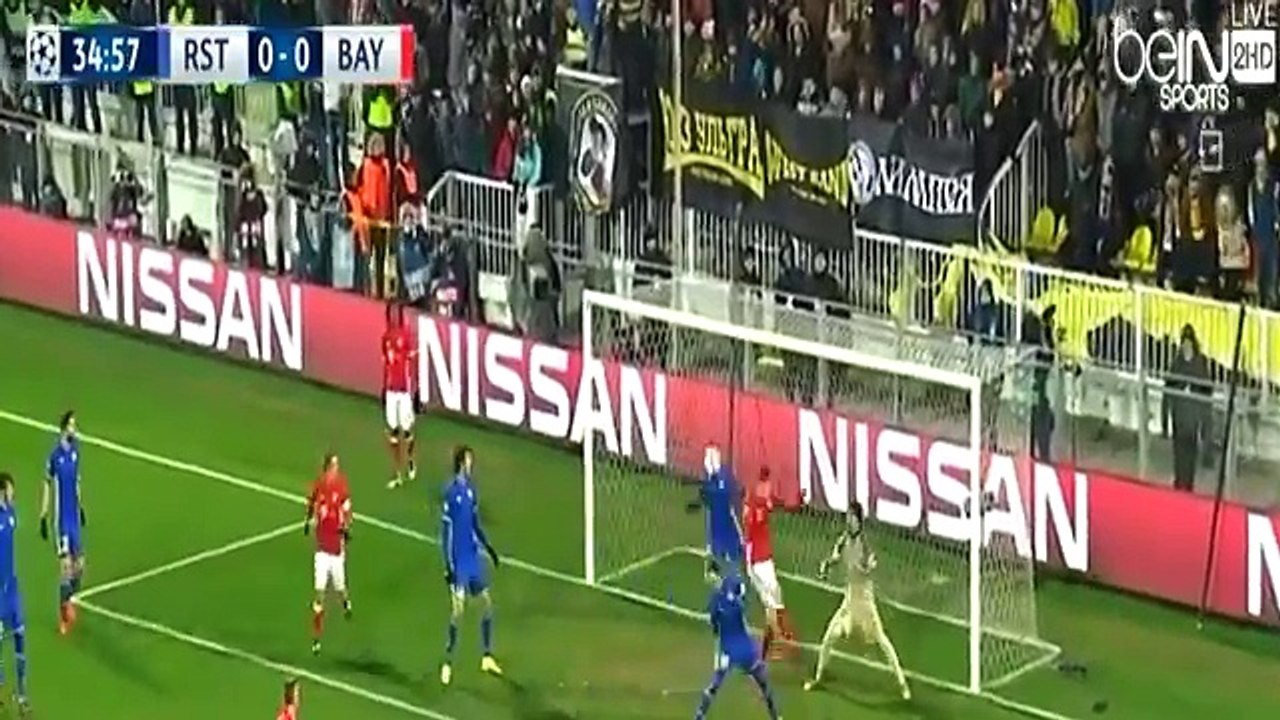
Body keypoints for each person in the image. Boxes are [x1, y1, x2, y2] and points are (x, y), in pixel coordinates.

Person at [805, 501, 911, 701]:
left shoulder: (865, 543)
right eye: (847, 516)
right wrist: (826, 565)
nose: (848, 520)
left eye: (852, 517)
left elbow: (870, 565)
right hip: (849, 600)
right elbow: (835, 557)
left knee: (882, 641)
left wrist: (867, 567)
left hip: (864, 602)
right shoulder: (844, 539)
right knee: (830, 636)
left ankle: (902, 684)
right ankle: (818, 677)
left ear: (859, 521)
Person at [439, 445, 502, 686]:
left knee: (487, 605)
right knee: (458, 612)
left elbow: (475, 524)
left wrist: (489, 548)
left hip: (473, 558)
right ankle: (447, 663)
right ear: (461, 463)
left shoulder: (471, 491)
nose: (471, 464)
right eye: (469, 460)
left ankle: (486, 657)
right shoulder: (450, 492)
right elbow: (446, 532)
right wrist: (448, 565)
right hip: (458, 560)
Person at [694, 572, 783, 720]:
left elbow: (715, 626)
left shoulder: (716, 600)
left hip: (732, 648)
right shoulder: (729, 592)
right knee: (762, 682)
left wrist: (718, 647)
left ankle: (699, 715)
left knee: (716, 684)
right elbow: (742, 603)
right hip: (742, 647)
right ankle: (776, 716)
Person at [40, 411, 85, 636]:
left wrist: (82, 506)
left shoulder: (76, 452)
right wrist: (43, 514)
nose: (75, 429)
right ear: (64, 427)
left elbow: (77, 482)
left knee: (80, 566)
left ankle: (70, 599)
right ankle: (64, 617)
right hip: (62, 520)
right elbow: (47, 484)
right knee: (66, 567)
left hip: (74, 518)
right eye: (72, 425)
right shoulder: (54, 456)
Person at [743, 467, 796, 660]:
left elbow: (776, 503)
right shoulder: (754, 507)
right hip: (758, 562)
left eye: (768, 484)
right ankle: (779, 641)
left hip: (764, 559)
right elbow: (749, 526)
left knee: (775, 600)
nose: (768, 488)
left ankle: (767, 648)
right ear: (759, 485)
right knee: (772, 603)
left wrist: (794, 501)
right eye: (765, 485)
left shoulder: (762, 502)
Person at [304, 453, 352, 655]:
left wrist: (347, 528)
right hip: (322, 552)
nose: (336, 469)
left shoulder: (341, 486)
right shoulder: (319, 485)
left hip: (336, 551)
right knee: (319, 594)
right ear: (327, 467)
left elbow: (347, 509)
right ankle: (316, 638)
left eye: (337, 465)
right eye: (334, 465)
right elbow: (310, 502)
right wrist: (308, 520)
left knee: (340, 588)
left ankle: (346, 602)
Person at [1166, 324, 1211, 492]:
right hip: (1179, 414)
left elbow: (1207, 387)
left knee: (1190, 450)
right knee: (1179, 450)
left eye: (1188, 344)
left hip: (1193, 415)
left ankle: (1188, 482)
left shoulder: (1200, 363)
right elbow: (1169, 384)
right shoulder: (1177, 362)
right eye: (1184, 343)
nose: (1186, 347)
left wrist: (1193, 389)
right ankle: (1179, 480)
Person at [0, 472, 30, 711]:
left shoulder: (11, 514)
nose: (13, 494)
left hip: (12, 590)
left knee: (20, 638)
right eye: (10, 490)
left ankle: (22, 695)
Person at [691, 445, 743, 582]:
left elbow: (728, 493)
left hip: (726, 515)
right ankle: (715, 569)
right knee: (715, 544)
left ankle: (733, 572)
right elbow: (706, 493)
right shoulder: (713, 476)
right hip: (716, 516)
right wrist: (699, 501)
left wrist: (703, 499)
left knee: (730, 543)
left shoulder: (723, 476)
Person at [382, 302, 420, 489]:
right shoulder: (386, 338)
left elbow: (412, 362)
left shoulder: (406, 336)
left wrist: (416, 389)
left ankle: (411, 461)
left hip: (404, 390)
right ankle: (397, 473)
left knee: (406, 430)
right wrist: (384, 388)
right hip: (391, 390)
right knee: (393, 431)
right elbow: (386, 364)